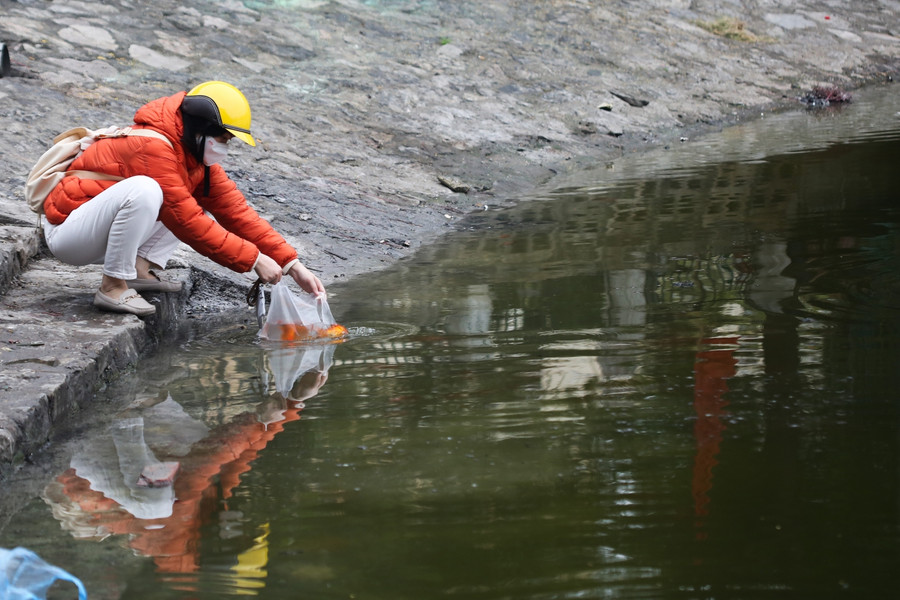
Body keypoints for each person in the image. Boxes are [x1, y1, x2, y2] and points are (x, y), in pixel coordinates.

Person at [41, 81, 325, 317]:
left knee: (178, 195)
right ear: (198, 129)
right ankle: (112, 286)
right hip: (69, 234)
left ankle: (138, 270)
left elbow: (237, 213)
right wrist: (254, 261)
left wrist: (292, 266)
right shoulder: (151, 147)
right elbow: (187, 221)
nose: (225, 146)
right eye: (223, 138)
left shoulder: (192, 159)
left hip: (97, 231)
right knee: (148, 191)